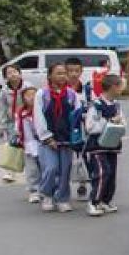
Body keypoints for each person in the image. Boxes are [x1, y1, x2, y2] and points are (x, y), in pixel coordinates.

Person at [33, 63, 81, 213]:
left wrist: (76, 135)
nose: (62, 76)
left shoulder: (72, 94)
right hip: (48, 139)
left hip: (67, 138)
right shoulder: (42, 94)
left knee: (65, 169)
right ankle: (46, 194)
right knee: (51, 168)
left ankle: (62, 198)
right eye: (58, 73)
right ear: (50, 76)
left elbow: (77, 115)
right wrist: (47, 137)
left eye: (64, 73)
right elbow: (38, 117)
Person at [83, 73, 125, 216]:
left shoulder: (117, 105)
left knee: (111, 173)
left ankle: (105, 201)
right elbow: (90, 127)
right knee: (102, 172)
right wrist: (109, 122)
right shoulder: (96, 105)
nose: (121, 90)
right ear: (113, 87)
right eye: (120, 86)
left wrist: (119, 123)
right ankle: (93, 202)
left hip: (113, 145)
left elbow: (124, 123)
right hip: (97, 146)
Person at [65, 56, 90, 201]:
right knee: (67, 159)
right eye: (70, 71)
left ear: (81, 71)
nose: (73, 74)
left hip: (81, 128)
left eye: (76, 71)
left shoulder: (87, 90)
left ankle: (82, 184)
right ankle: (63, 188)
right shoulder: (62, 90)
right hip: (65, 128)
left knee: (82, 156)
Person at [0, 64, 23, 183]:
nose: (13, 74)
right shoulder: (4, 91)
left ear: (20, 73)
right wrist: (1, 125)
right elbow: (2, 108)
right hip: (12, 121)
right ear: (6, 77)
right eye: (9, 73)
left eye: (15, 71)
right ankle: (9, 172)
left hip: (26, 120)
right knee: (12, 145)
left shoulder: (27, 87)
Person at [17, 88, 42, 203]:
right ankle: (33, 190)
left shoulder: (42, 110)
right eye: (28, 95)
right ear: (23, 98)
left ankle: (44, 188)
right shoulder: (21, 113)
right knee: (32, 169)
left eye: (34, 94)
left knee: (44, 167)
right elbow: (18, 128)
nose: (32, 97)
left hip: (42, 143)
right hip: (29, 145)